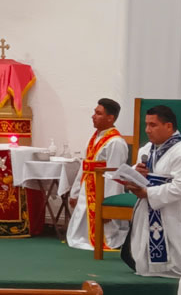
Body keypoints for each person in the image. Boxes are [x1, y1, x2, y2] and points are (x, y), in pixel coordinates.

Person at [122, 105, 181, 277]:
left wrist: (148, 193)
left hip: (174, 210)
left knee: (177, 261)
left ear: (169, 126)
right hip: (147, 208)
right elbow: (137, 172)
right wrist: (135, 174)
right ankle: (146, 266)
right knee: (143, 256)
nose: (147, 130)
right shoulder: (146, 149)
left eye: (153, 125)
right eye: (146, 124)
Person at [67, 98, 129, 250]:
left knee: (105, 233)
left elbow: (114, 176)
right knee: (79, 235)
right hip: (87, 186)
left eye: (98, 113)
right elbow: (85, 166)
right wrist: (75, 192)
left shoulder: (115, 142)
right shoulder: (95, 137)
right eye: (94, 112)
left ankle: (106, 239)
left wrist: (108, 206)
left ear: (110, 118)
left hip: (102, 189)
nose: (93, 116)